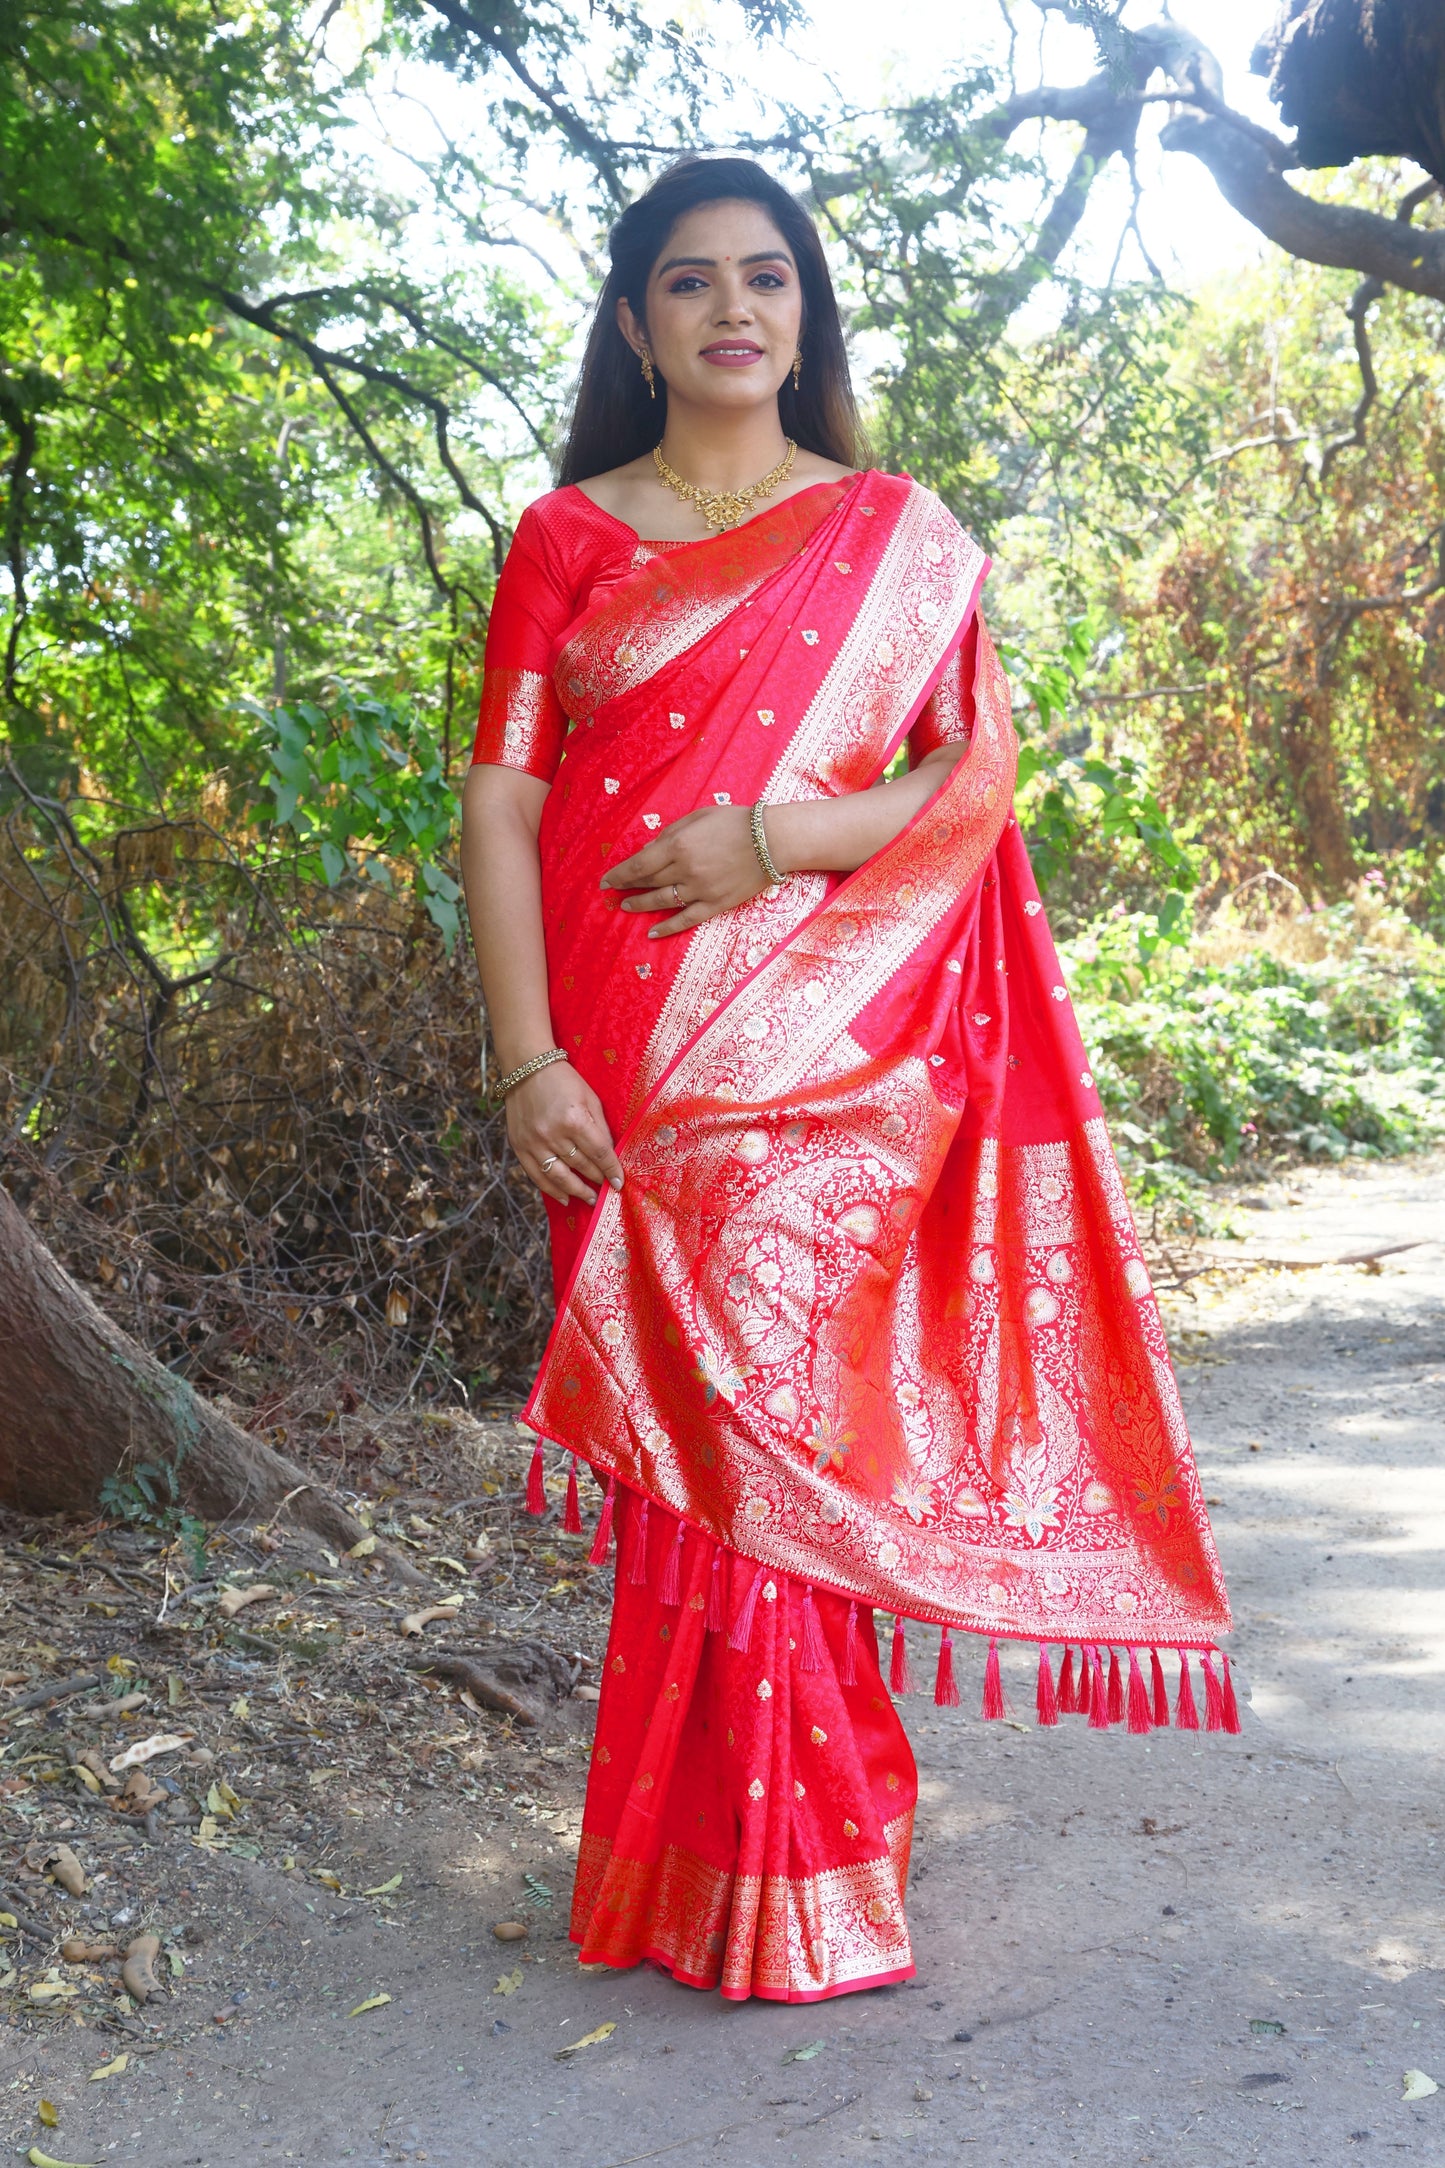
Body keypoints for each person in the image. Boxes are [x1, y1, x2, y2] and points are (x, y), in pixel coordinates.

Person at [461, 156, 1234, 2007]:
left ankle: (798, 1862)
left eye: (768, 278)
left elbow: (971, 782)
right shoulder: (567, 538)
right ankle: (699, 1860)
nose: (735, 307)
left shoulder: (893, 531)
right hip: (625, 1048)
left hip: (827, 1042)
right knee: (693, 1454)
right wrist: (523, 1059)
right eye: (689, 281)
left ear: (804, 312)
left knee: (772, 1439)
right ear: (637, 326)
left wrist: (771, 837)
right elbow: (502, 800)